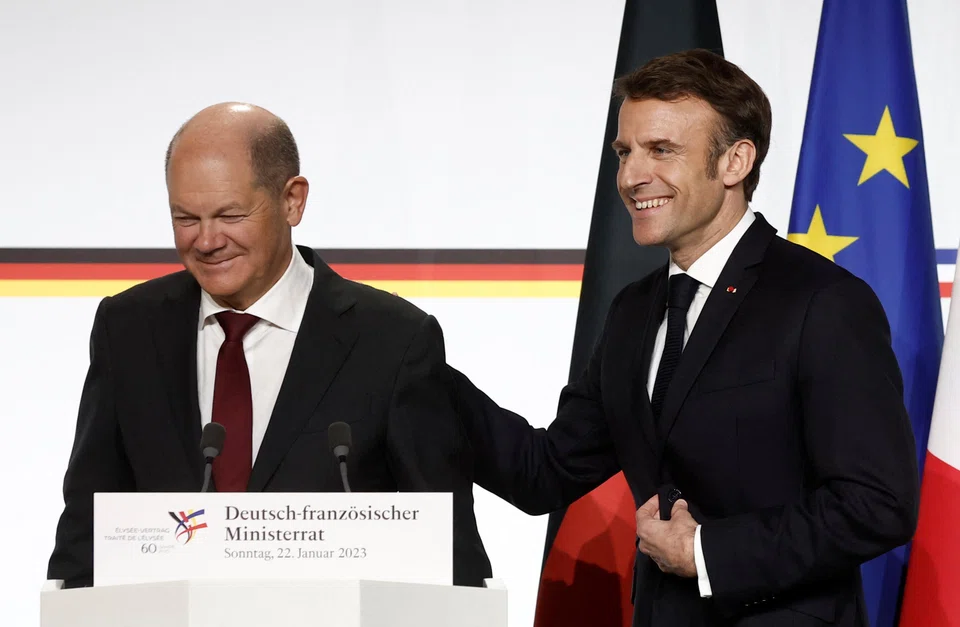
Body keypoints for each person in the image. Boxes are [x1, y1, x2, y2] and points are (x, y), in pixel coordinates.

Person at [450, 49, 919, 626]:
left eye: (661, 150)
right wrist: (413, 361)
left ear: (735, 161)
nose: (631, 177)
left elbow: (876, 505)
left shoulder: (822, 302)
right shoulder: (632, 312)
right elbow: (543, 472)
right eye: (624, 152)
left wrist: (706, 552)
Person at [47, 102, 492, 588]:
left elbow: (448, 555)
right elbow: (85, 537)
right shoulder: (127, 329)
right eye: (186, 218)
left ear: (292, 201)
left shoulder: (393, 340)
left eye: (230, 214)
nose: (206, 241)